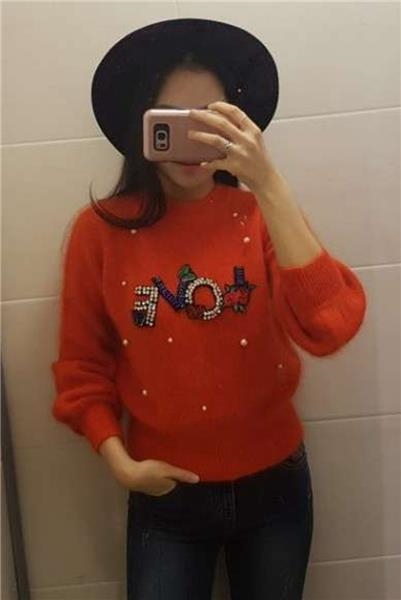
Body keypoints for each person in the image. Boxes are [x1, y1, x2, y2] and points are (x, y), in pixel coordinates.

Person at [50, 19, 367, 600]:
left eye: (212, 120)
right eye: (173, 120)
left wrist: (268, 183)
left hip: (275, 486)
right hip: (164, 494)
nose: (193, 140)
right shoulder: (100, 233)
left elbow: (332, 326)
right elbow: (81, 368)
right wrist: (120, 462)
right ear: (144, 125)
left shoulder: (263, 216)